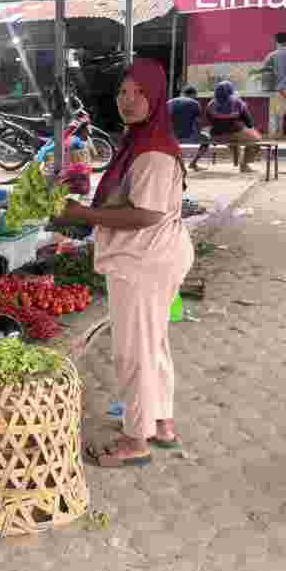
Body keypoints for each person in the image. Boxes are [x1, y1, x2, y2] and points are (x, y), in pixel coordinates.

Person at [54, 58, 195, 467]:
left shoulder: (151, 153)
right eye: (122, 92)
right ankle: (161, 423)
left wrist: (82, 216)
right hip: (159, 254)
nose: (127, 101)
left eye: (138, 94)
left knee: (134, 352)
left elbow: (146, 214)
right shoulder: (143, 140)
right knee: (153, 343)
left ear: (156, 98)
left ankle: (136, 441)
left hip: (144, 261)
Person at [206, 80, 262, 173]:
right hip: (234, 132)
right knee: (256, 140)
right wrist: (251, 129)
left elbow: (209, 120)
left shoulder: (211, 104)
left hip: (216, 135)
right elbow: (248, 121)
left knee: (235, 140)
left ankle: (237, 162)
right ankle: (244, 164)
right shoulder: (237, 102)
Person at [167, 85, 211, 170]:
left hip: (171, 136)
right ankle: (193, 163)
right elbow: (198, 122)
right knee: (206, 140)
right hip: (189, 136)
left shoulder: (169, 102)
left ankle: (178, 165)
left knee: (173, 144)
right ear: (193, 94)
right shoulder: (195, 103)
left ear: (182, 93)